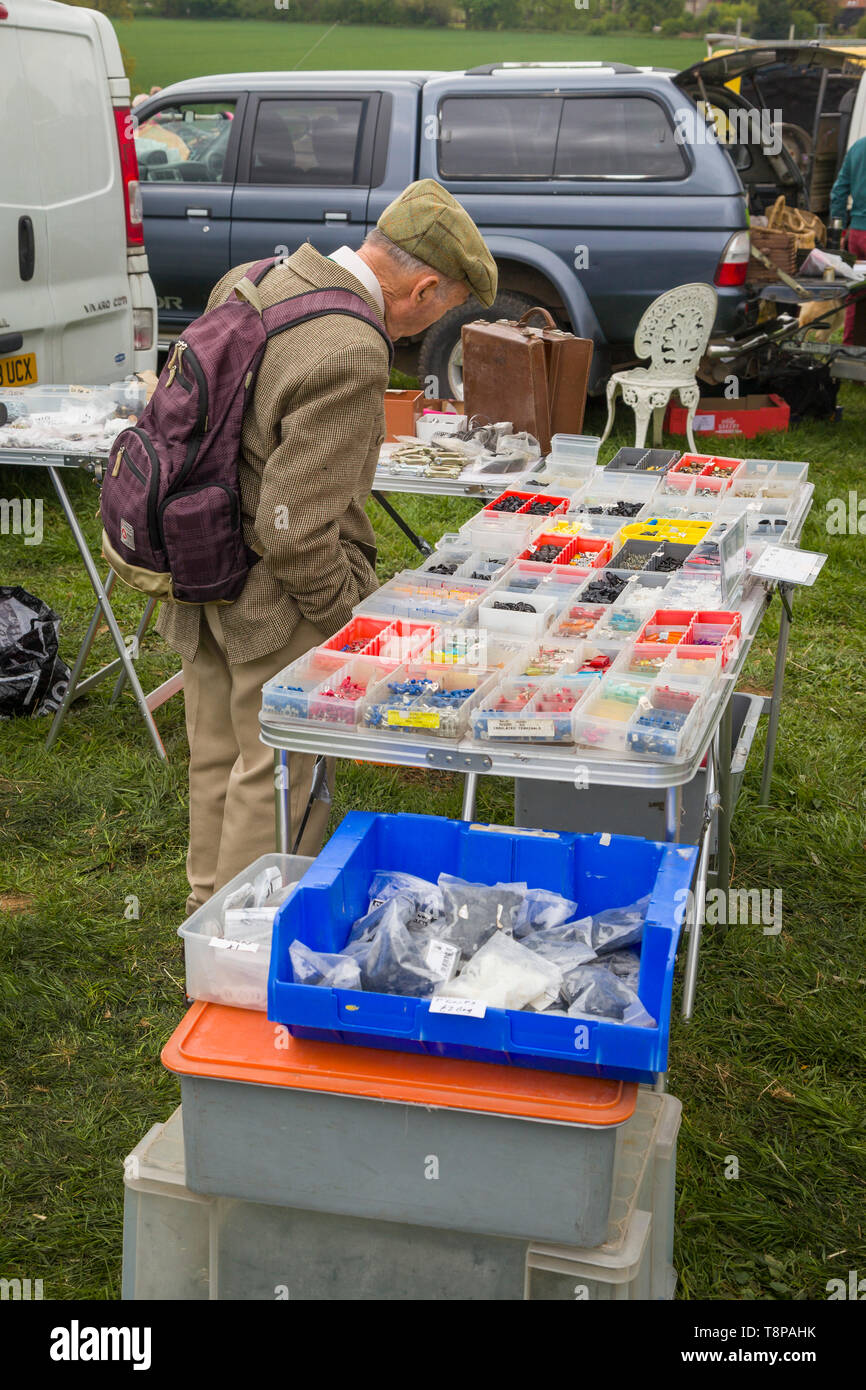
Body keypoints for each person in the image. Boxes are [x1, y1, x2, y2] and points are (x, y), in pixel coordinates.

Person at [155, 180, 497, 915]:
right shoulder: (352, 348)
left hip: (201, 562)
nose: (425, 329)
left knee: (215, 751)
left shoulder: (252, 279)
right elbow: (294, 528)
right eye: (445, 306)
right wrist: (348, 619)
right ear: (426, 287)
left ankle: (204, 911)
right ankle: (245, 932)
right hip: (273, 597)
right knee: (274, 766)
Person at [829, 135, 866, 343]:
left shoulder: (858, 147)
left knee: (857, 294)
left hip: (857, 238)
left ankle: (850, 353)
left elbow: (838, 192)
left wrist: (841, 230)